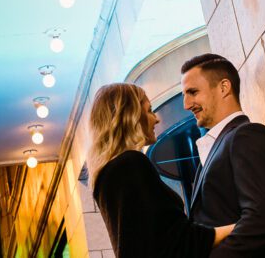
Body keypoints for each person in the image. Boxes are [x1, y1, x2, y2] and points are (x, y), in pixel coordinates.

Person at [88, 83, 234, 257]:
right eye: (149, 110)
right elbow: (175, 243)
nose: (156, 119)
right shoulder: (130, 164)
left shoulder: (106, 177)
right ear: (131, 116)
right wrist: (241, 227)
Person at [181, 54, 265, 257]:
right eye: (184, 95)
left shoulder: (246, 136)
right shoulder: (211, 154)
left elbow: (264, 217)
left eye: (193, 92)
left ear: (224, 87)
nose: (186, 105)